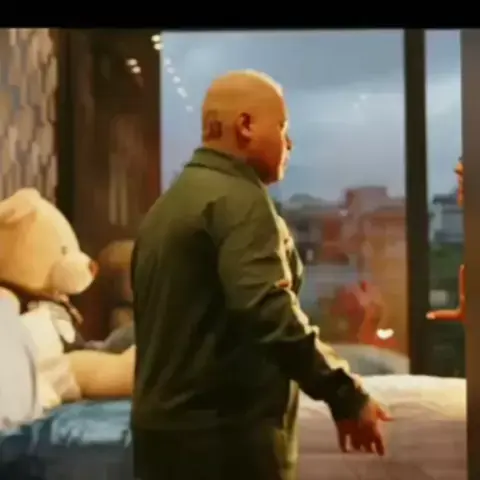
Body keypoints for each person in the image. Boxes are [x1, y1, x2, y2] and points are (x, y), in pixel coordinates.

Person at [131, 70, 391, 480]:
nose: (289, 143)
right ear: (246, 126)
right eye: (283, 127)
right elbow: (268, 311)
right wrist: (345, 394)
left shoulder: (169, 206)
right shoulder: (241, 201)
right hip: (224, 446)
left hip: (162, 440)